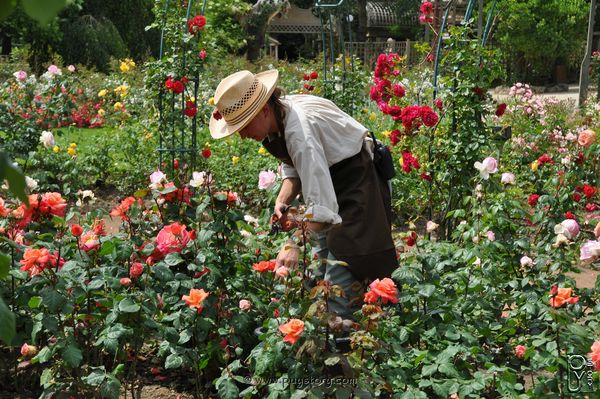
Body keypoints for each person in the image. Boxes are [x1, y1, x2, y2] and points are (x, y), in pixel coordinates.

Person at [209, 69, 398, 319]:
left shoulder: (301, 133)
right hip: (331, 186)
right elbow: (294, 167)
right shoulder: (280, 116)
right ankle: (323, 339)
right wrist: (283, 199)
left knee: (341, 281)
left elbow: (322, 208)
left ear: (264, 109)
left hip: (358, 188)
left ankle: (348, 343)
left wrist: (293, 243)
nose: (242, 135)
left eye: (243, 125)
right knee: (315, 273)